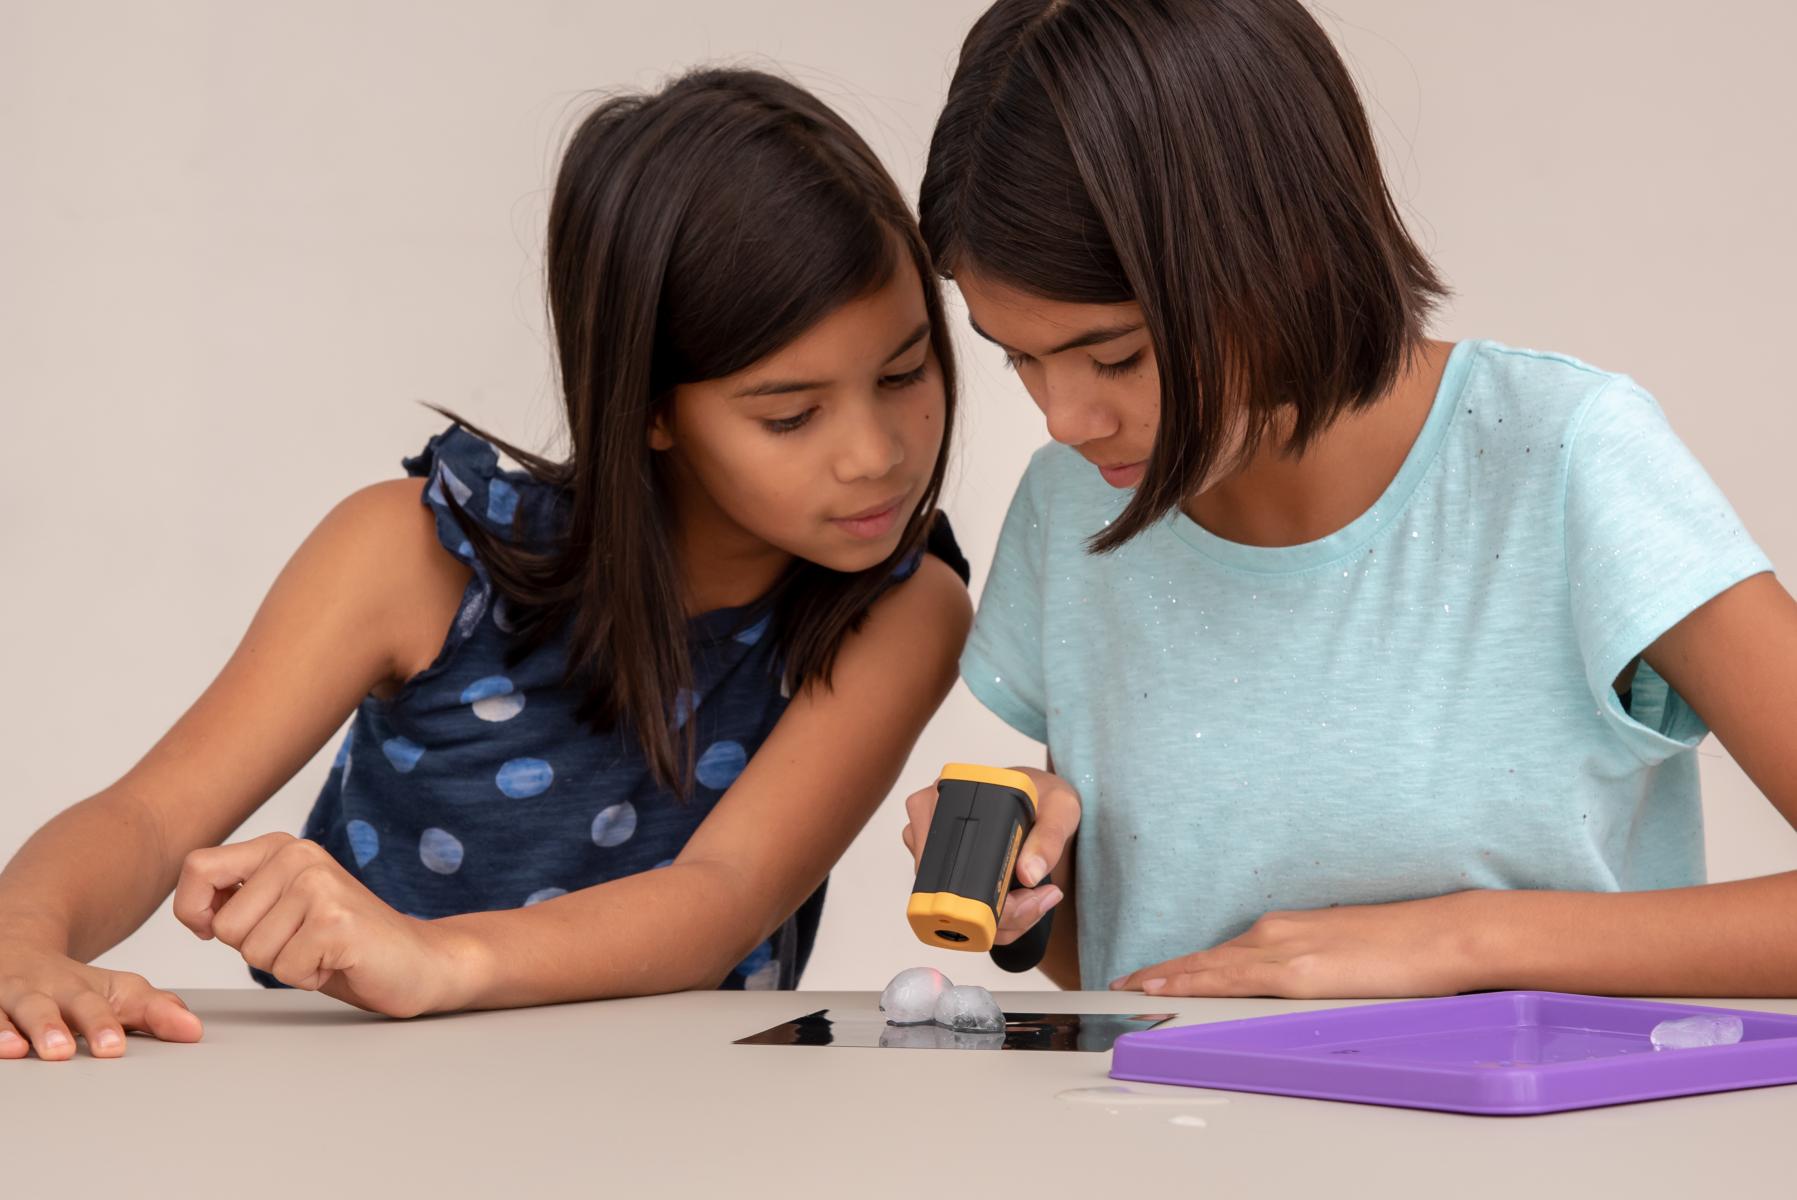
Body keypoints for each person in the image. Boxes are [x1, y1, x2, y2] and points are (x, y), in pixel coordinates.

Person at [0, 68, 972, 1061]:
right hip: (351, 1117)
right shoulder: (413, 554)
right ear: (648, 408)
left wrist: (430, 959)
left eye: (906, 372)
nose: (878, 454)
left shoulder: (901, 610)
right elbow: (152, 812)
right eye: (791, 414)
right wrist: (22, 939)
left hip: (680, 1125)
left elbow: (719, 898)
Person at [903, 0, 1797, 999]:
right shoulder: (1068, 506)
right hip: (1172, 1148)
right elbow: (1133, 968)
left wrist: (1469, 941)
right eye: (1018, 356)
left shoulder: (1564, 456)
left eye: (1116, 355)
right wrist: (1029, 882)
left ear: (1285, 253)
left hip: (1530, 1154)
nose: (1063, 419)